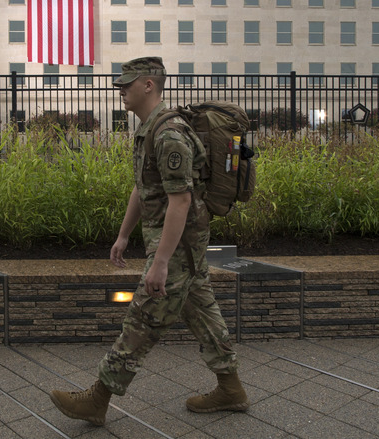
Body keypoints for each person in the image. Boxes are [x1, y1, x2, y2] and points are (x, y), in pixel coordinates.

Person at [49, 56, 249, 426]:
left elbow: (181, 200)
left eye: (128, 83)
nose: (121, 90)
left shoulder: (169, 133)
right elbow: (143, 188)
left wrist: (159, 262)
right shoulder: (150, 129)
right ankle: (231, 388)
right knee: (201, 309)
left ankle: (99, 397)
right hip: (177, 243)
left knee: (143, 316)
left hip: (178, 245)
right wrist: (124, 235)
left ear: (148, 85)